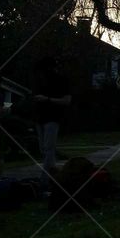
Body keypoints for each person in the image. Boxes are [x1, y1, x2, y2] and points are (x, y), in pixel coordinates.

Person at [32, 57, 71, 185]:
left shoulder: (62, 80)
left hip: (52, 118)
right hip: (40, 118)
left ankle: (45, 179)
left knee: (48, 149)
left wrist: (47, 99)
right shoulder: (39, 81)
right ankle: (53, 177)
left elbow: (67, 100)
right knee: (45, 150)